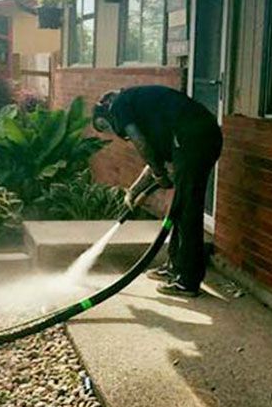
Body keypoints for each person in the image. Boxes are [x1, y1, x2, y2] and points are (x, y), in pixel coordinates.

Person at [92, 85, 223, 297]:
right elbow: (152, 157)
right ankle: (175, 266)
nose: (112, 131)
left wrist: (159, 172)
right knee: (179, 208)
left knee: (188, 210)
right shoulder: (141, 108)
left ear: (106, 111)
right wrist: (134, 192)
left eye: (105, 126)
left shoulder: (119, 105)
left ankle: (188, 281)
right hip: (193, 138)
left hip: (193, 139)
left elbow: (141, 144)